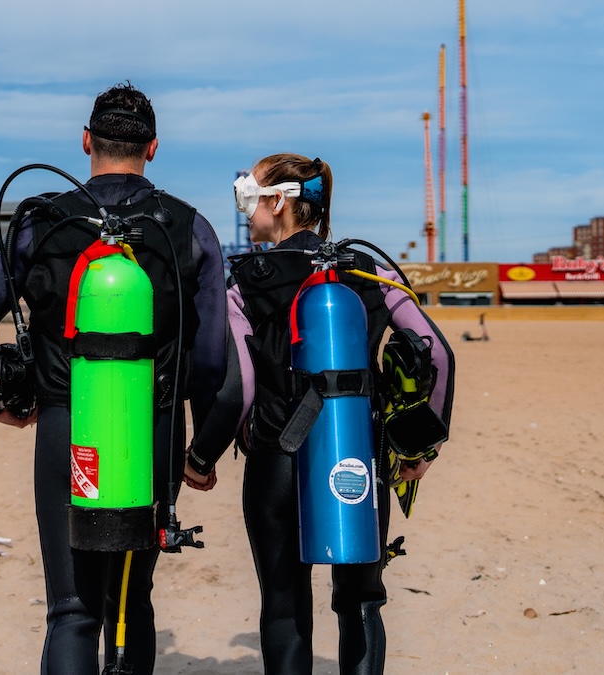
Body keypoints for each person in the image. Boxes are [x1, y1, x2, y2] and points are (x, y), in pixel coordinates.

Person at [0, 82, 226, 675]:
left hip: (65, 425)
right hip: (153, 431)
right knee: (132, 599)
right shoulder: (191, 228)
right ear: (153, 148)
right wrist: (198, 450)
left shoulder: (40, 222)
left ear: (84, 141)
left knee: (72, 611)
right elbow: (209, 361)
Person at [183, 153, 455, 674]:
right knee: (361, 599)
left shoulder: (246, 282)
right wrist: (422, 450)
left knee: (284, 602)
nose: (246, 213)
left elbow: (238, 391)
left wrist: (200, 457)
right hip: (357, 454)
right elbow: (437, 355)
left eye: (249, 199)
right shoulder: (370, 272)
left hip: (276, 461)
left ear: (278, 203)